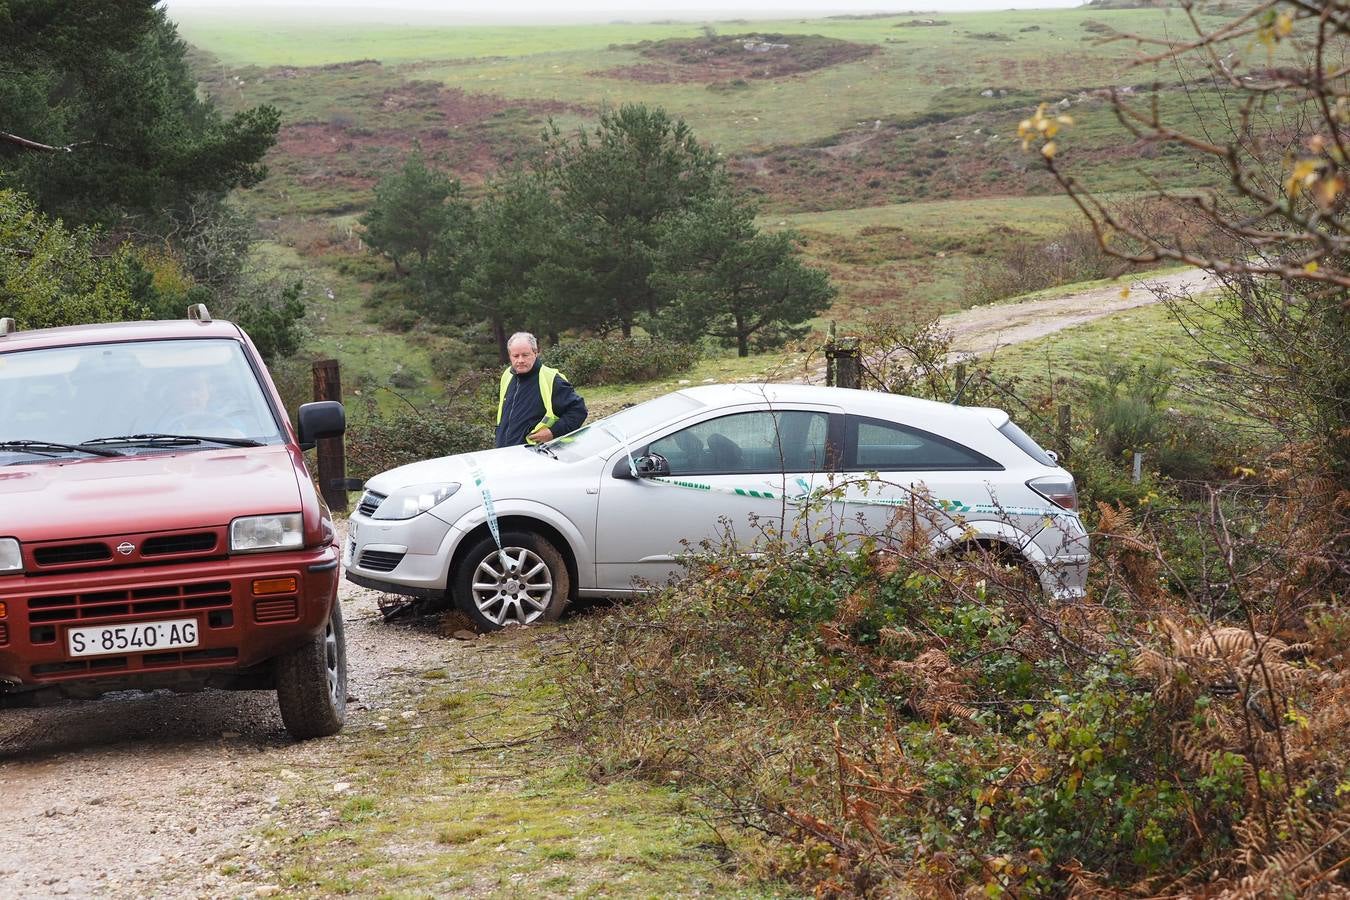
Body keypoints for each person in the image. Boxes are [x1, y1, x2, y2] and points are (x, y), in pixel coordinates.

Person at [495, 332, 587, 448]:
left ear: (535, 352)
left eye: (525, 355)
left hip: (536, 456)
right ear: (510, 356)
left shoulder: (551, 379)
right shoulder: (507, 375)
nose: (520, 360)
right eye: (516, 356)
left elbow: (578, 411)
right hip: (505, 453)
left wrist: (552, 432)